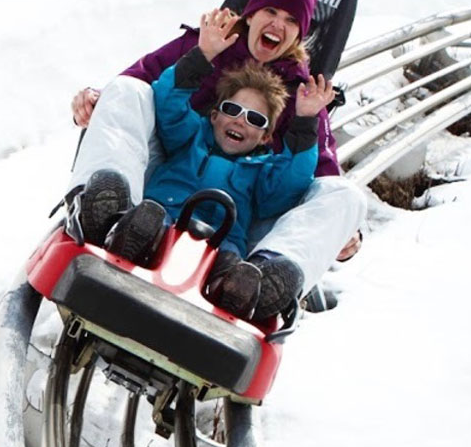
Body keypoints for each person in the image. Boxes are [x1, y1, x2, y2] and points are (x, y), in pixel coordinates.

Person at [64, 0, 367, 310]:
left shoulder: (303, 97)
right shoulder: (206, 47)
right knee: (125, 90)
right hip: (163, 182)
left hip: (236, 224)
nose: (278, 25)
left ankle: (263, 281)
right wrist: (199, 57)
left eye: (291, 20)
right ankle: (108, 209)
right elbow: (144, 84)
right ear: (251, 14)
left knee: (348, 196)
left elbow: (315, 176)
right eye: (271, 12)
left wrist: (342, 228)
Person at [75, 47, 334, 319]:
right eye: (232, 109)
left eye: (254, 119)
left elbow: (291, 182)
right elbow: (168, 103)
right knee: (148, 219)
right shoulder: (191, 136)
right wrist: (199, 57)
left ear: (265, 137)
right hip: (164, 220)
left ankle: (233, 291)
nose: (239, 120)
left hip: (221, 245)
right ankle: (127, 238)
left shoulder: (263, 170)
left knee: (232, 266)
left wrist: (305, 121)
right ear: (214, 116)